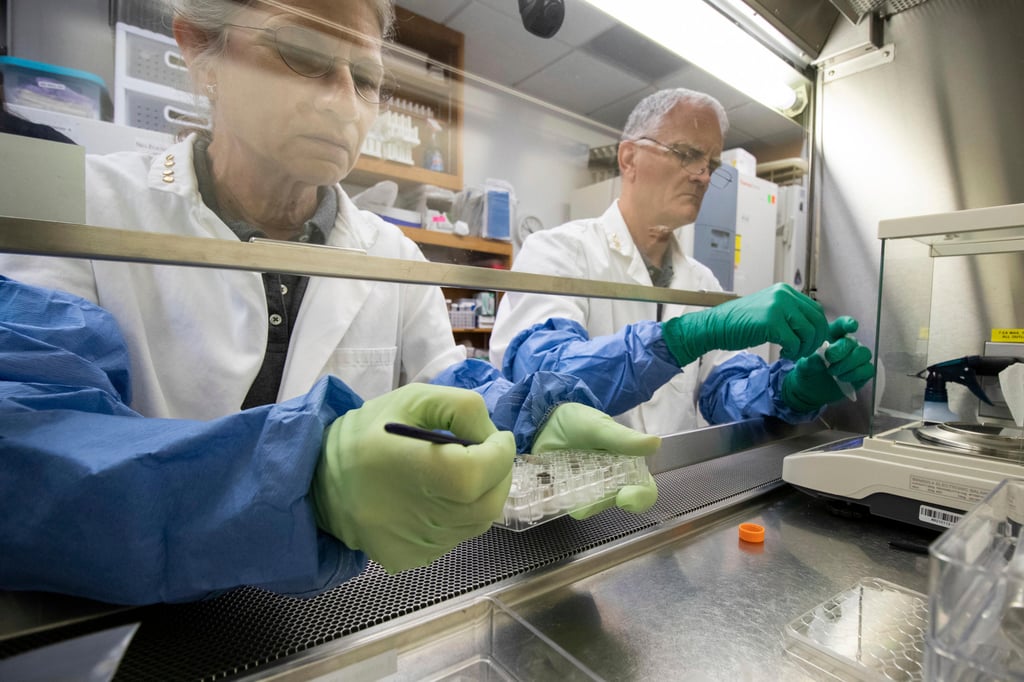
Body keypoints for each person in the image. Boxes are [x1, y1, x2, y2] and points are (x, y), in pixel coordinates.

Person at [0, 0, 658, 606]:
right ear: (203, 52)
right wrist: (307, 479)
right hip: (129, 630)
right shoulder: (77, 205)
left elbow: (447, 391)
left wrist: (525, 427)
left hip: (329, 622)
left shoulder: (393, 256)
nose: (343, 101)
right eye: (303, 57)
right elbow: (31, 451)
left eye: (366, 79)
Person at [489, 88, 875, 436]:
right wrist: (684, 337)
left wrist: (793, 391)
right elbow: (541, 385)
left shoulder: (701, 280)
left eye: (712, 164)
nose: (703, 176)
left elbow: (725, 391)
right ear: (629, 158)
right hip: (575, 499)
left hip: (674, 493)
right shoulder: (556, 251)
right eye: (688, 155)